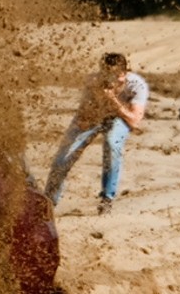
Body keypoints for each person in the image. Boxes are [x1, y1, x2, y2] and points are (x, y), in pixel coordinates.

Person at [45, 52, 148, 215]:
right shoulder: (94, 81)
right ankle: (49, 201)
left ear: (123, 74)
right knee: (63, 156)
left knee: (112, 142)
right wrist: (99, 101)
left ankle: (107, 199)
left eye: (114, 76)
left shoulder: (137, 85)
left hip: (120, 117)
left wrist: (113, 100)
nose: (109, 80)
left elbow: (134, 121)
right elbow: (83, 118)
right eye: (105, 74)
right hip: (94, 114)